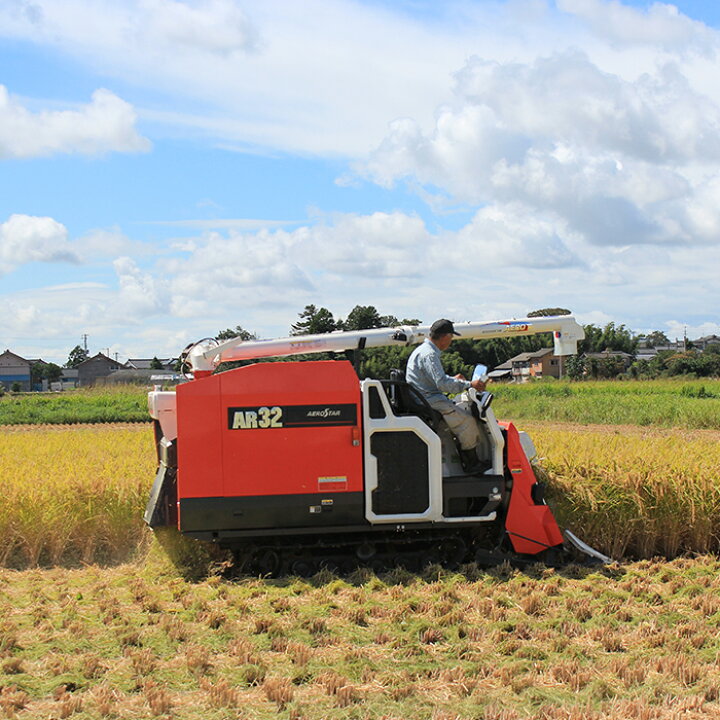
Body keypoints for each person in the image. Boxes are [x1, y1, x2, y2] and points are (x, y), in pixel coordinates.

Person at [406, 318, 486, 473]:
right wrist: (470, 384)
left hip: (422, 396)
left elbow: (434, 379)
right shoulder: (430, 355)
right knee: (467, 421)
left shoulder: (422, 350)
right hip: (429, 399)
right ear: (445, 337)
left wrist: (453, 380)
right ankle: (472, 465)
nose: (451, 341)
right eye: (451, 337)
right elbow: (442, 383)